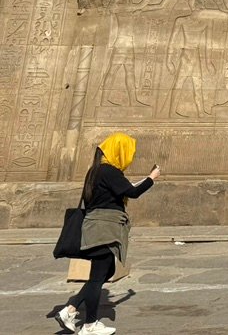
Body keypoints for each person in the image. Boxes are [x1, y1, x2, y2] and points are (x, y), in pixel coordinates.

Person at [57, 133, 160, 335]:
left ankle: (70, 310)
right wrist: (151, 178)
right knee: (98, 277)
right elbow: (132, 193)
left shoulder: (96, 172)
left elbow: (122, 190)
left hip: (98, 227)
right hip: (103, 229)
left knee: (105, 272)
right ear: (119, 151)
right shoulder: (109, 171)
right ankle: (90, 325)